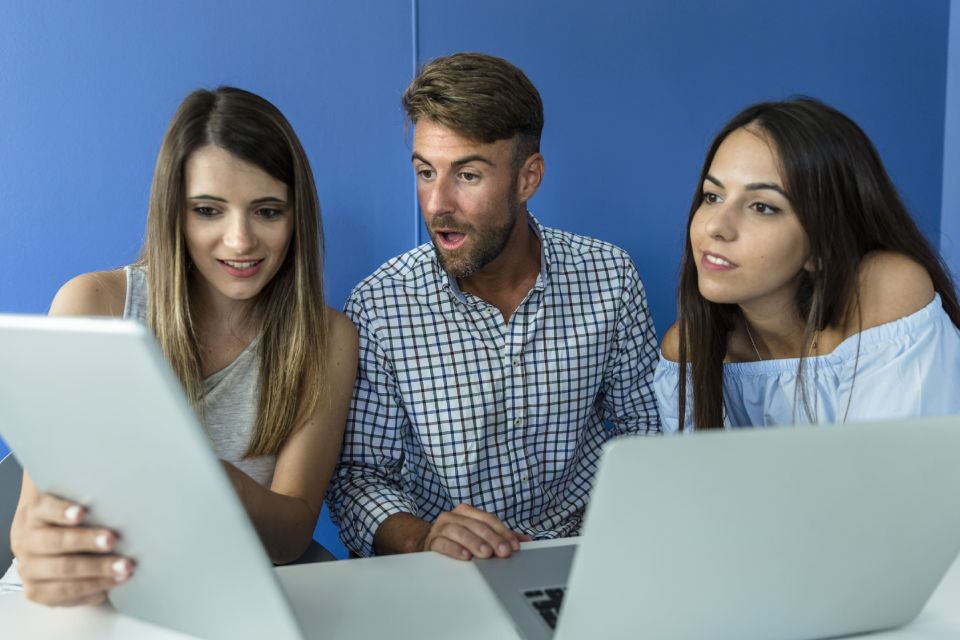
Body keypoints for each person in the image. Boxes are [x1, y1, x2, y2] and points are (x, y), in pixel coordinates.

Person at [4, 87, 358, 606]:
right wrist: (42, 550)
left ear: (296, 218)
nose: (240, 242)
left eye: (267, 211)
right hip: (88, 596)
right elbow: (29, 525)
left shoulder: (326, 338)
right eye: (209, 210)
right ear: (176, 213)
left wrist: (210, 480)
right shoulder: (93, 304)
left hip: (217, 598)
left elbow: (289, 539)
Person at [327, 52, 660, 561]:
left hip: (586, 556)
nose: (438, 203)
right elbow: (359, 479)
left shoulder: (609, 278)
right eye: (424, 172)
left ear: (528, 179)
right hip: (443, 572)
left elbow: (646, 434)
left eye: (468, 175)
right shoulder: (379, 304)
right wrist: (425, 538)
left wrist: (612, 536)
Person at [655, 97, 960, 432]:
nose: (715, 226)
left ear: (822, 243)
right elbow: (697, 482)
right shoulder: (688, 348)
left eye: (762, 206)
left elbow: (890, 476)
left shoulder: (884, 289)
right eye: (712, 196)